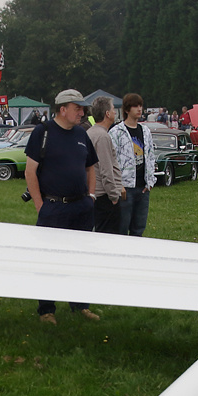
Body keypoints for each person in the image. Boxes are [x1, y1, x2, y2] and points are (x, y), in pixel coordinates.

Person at [24, 89, 99, 324]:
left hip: (82, 208)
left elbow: (90, 168)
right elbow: (30, 171)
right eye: (78, 108)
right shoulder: (42, 132)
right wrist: (40, 205)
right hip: (53, 208)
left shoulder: (81, 133)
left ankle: (80, 304)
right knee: (49, 260)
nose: (82, 112)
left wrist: (91, 196)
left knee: (81, 258)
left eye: (83, 108)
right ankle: (47, 310)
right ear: (63, 109)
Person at [109, 93, 156, 237]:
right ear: (127, 109)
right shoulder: (116, 132)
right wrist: (119, 185)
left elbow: (151, 155)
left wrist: (150, 182)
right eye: (135, 106)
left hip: (143, 188)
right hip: (125, 189)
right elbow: (111, 160)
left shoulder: (146, 131)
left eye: (141, 105)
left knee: (139, 229)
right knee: (122, 228)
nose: (139, 109)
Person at [87, 96, 124, 234]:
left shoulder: (90, 132)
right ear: (107, 113)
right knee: (109, 237)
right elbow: (106, 170)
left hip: (96, 195)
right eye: (113, 109)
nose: (115, 112)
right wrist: (114, 197)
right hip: (105, 197)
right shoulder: (102, 137)